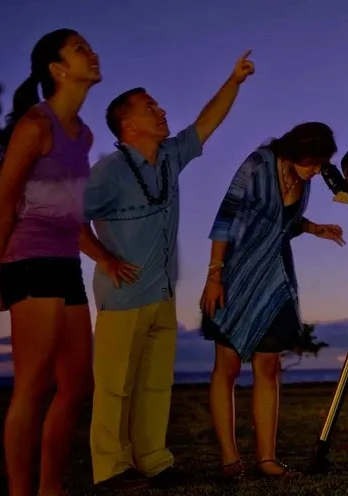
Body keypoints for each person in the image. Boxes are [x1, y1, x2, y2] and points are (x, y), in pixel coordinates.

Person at [78, 50, 256, 490]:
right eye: (150, 107)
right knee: (115, 386)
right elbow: (66, 217)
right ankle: (110, 468)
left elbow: (205, 124)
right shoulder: (109, 172)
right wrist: (103, 257)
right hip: (123, 295)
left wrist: (233, 80)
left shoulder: (171, 156)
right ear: (128, 125)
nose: (161, 111)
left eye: (158, 105)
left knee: (156, 384)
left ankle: (153, 459)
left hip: (161, 291)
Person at [0, 28, 101, 496]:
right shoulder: (35, 125)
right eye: (80, 49)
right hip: (29, 259)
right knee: (31, 386)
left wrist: (104, 257)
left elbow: (73, 214)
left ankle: (50, 487)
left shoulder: (84, 134)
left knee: (77, 386)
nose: (92, 53)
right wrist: (1, 275)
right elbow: (2, 204)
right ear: (58, 70)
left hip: (65, 261)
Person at [199, 122, 346, 481]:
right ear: (295, 152)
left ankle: (266, 459)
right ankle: (230, 458)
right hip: (235, 274)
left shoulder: (306, 178)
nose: (316, 171)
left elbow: (284, 221)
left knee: (268, 368)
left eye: (321, 164)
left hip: (275, 280)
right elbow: (225, 219)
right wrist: (214, 275)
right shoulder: (257, 165)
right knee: (228, 368)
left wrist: (314, 228)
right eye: (312, 162)